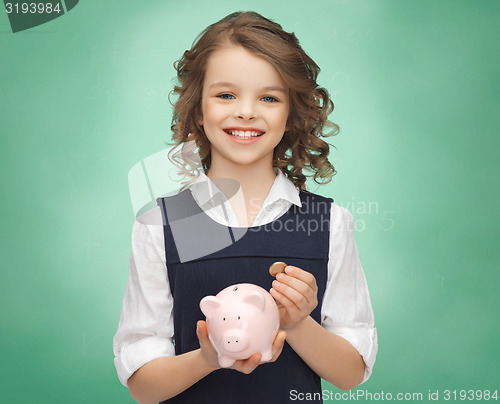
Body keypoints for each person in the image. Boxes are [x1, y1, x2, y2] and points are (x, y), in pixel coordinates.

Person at [113, 11, 377, 404]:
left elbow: (351, 373)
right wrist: (209, 357)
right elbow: (142, 386)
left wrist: (299, 322)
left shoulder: (328, 224)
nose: (247, 112)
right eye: (226, 95)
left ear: (290, 114)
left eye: (269, 97)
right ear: (198, 109)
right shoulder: (163, 225)